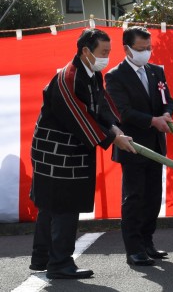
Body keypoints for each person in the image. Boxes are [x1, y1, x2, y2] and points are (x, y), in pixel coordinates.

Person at [29, 29, 135, 279]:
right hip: (56, 154)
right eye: (103, 52)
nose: (107, 57)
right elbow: (79, 117)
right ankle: (60, 264)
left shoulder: (92, 74)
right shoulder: (68, 76)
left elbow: (103, 105)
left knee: (52, 207)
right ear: (86, 51)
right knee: (62, 207)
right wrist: (112, 138)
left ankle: (43, 259)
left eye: (109, 52)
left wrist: (115, 126)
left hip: (71, 151)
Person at [105, 26, 173, 266]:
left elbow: (168, 100)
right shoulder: (115, 76)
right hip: (133, 146)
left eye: (149, 47)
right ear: (127, 49)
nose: (147, 52)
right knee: (134, 197)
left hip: (156, 146)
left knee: (154, 197)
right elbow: (122, 112)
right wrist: (152, 121)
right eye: (141, 49)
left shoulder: (156, 72)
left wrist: (166, 113)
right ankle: (134, 249)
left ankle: (148, 242)